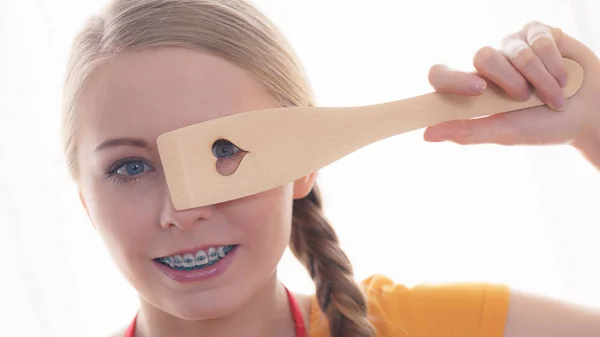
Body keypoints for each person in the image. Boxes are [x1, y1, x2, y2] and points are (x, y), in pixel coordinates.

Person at [61, 0, 600, 336]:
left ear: (304, 162)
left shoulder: (422, 328)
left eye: (224, 151)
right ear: (85, 199)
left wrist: (594, 128)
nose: (184, 209)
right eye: (130, 167)